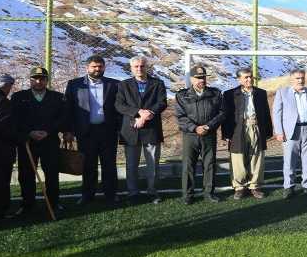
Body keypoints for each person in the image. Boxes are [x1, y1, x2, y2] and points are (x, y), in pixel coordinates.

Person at [64, 55, 121, 205]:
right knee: (88, 165)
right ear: (87, 67)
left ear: (104, 67)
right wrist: (68, 130)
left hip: (108, 131)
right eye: (94, 66)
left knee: (109, 164)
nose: (97, 69)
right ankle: (88, 194)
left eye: (100, 66)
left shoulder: (114, 84)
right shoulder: (74, 84)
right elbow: (68, 109)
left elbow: (120, 109)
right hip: (86, 131)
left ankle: (111, 194)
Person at [12, 67, 67, 216]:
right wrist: (29, 132)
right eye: (35, 78)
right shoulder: (18, 97)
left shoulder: (58, 97)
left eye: (42, 78)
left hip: (49, 141)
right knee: (26, 174)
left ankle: (54, 203)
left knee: (52, 173)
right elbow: (15, 120)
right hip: (27, 142)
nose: (38, 81)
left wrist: (48, 131)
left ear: (47, 80)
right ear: (29, 79)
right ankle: (27, 204)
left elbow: (62, 119)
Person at [115, 56, 167, 204]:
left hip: (151, 129)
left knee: (153, 165)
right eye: (136, 66)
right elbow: (119, 105)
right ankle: (133, 193)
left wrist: (148, 114)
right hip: (131, 129)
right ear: (131, 68)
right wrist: (139, 112)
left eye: (142, 66)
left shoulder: (158, 83)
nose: (139, 69)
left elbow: (162, 102)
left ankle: (153, 191)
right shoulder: (123, 85)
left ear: (147, 67)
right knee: (131, 164)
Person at [175, 65, 225, 204]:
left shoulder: (215, 94)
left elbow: (221, 113)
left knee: (209, 164)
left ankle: (209, 193)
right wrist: (194, 128)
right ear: (191, 79)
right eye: (197, 78)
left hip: (209, 134)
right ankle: (187, 194)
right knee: (188, 165)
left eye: (203, 77)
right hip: (190, 136)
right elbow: (180, 117)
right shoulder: (182, 95)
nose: (201, 80)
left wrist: (208, 126)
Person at [272, 69, 307, 199]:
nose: (300, 80)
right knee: (289, 160)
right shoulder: (282, 93)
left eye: (302, 78)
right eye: (297, 78)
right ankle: (289, 187)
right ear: (291, 79)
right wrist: (279, 131)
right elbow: (277, 113)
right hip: (290, 132)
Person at [223, 68, 273, 200]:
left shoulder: (260, 93)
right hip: (237, 129)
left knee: (257, 157)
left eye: (250, 77)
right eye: (246, 77)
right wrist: (226, 134)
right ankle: (239, 187)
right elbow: (226, 116)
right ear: (239, 79)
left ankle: (255, 186)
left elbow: (266, 113)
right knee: (237, 158)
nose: (249, 79)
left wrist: (268, 131)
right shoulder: (229, 94)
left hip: (256, 127)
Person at [0, 74, 16, 220]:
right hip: (0, 150)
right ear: (7, 86)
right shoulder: (2, 101)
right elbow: (3, 128)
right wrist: (23, 137)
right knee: (0, 181)